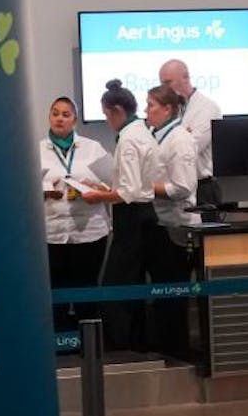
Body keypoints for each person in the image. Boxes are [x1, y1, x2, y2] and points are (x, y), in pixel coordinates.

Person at [81, 79, 158, 352]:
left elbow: (128, 191)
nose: (106, 120)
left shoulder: (128, 140)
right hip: (143, 214)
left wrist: (98, 196)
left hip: (132, 217)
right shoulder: (142, 132)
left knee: (116, 284)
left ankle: (121, 345)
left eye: (105, 114)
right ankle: (134, 342)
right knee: (133, 281)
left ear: (116, 110)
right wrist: (104, 188)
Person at [39, 96, 112, 335]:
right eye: (55, 113)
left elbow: (114, 186)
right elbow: (21, 190)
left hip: (90, 231)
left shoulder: (93, 149)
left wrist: (96, 188)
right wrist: (44, 192)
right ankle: (59, 344)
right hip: (52, 233)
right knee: (55, 290)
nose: (59, 118)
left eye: (66, 114)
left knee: (86, 290)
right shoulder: (36, 151)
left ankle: (89, 343)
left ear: (75, 120)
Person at [144, 84, 200, 354]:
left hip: (176, 228)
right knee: (162, 293)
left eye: (151, 106)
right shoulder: (156, 136)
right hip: (158, 225)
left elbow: (182, 187)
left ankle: (179, 350)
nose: (146, 111)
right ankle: (167, 347)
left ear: (167, 109)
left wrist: (142, 188)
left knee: (174, 294)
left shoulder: (180, 140)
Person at [158, 59, 223, 215]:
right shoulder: (172, 109)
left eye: (168, 82)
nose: (164, 89)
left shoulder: (207, 108)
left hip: (202, 189)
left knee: (206, 239)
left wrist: (177, 140)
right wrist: (183, 135)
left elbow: (193, 147)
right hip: (175, 188)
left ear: (186, 77)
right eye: (162, 83)